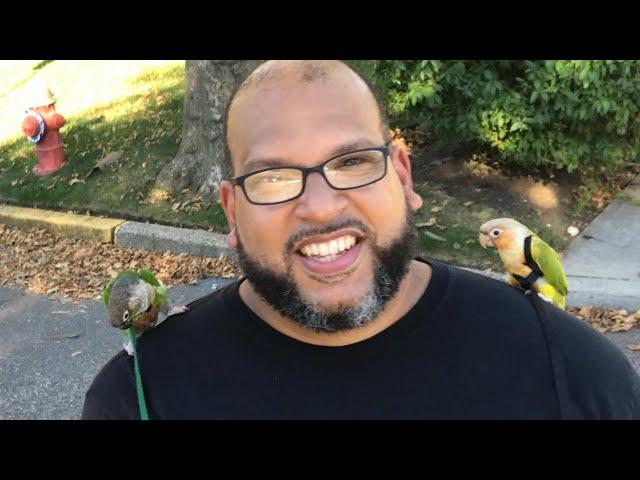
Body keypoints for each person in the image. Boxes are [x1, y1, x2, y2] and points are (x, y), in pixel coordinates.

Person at [82, 60, 640, 420]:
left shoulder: (569, 369)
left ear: (403, 175)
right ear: (231, 210)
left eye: (352, 162)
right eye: (273, 176)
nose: (322, 206)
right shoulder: (138, 398)